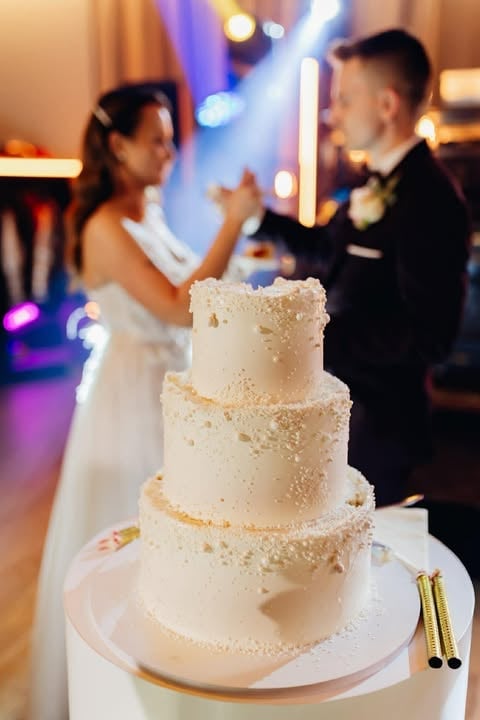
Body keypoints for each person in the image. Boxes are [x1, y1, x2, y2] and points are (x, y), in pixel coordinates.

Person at [27, 82, 259, 720]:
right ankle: (123, 696)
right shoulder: (103, 225)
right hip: (133, 397)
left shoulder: (145, 210)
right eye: (155, 138)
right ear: (116, 144)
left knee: (184, 545)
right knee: (140, 545)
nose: (170, 150)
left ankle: (179, 689)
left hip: (171, 383)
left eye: (169, 137)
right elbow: (182, 306)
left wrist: (238, 238)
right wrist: (232, 225)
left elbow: (193, 279)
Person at [221, 29, 471, 506]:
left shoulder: (432, 199)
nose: (332, 112)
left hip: (379, 426)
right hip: (338, 411)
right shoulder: (369, 181)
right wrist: (256, 217)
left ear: (387, 104)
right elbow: (327, 249)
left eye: (344, 99)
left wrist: (308, 338)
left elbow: (429, 336)